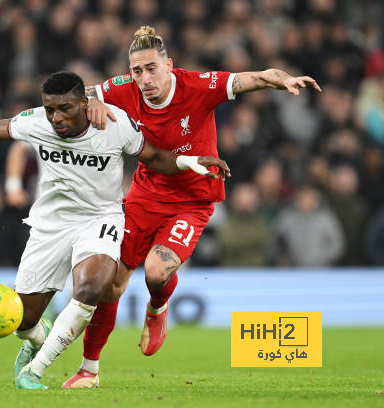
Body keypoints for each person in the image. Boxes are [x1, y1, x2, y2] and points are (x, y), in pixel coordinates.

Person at [0, 71, 230, 389]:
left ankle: (36, 372)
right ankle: (36, 339)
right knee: (24, 320)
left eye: (64, 109)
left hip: (101, 219)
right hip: (50, 225)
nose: (56, 117)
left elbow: (154, 158)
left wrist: (188, 161)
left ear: (84, 103)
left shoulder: (114, 124)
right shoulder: (37, 123)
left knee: (92, 286)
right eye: (50, 109)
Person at [62, 26, 321, 388]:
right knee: (111, 286)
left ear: (169, 64)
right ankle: (89, 369)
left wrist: (284, 79)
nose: (145, 78)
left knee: (155, 271)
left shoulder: (198, 86)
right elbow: (80, 93)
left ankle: (158, 307)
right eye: (137, 71)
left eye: (152, 68)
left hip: (194, 200)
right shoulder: (123, 88)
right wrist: (91, 99)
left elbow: (257, 77)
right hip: (145, 195)